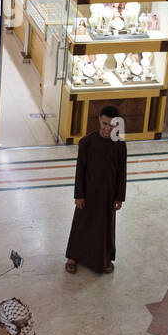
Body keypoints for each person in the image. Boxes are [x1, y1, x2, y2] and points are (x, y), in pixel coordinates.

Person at [65, 105, 127, 275]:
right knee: (81, 223)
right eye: (104, 123)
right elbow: (80, 171)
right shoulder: (86, 142)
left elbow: (122, 171)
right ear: (99, 119)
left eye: (112, 125)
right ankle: (73, 257)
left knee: (104, 227)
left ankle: (103, 259)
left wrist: (119, 197)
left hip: (108, 195)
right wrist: (79, 195)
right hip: (88, 193)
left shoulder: (120, 145)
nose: (107, 128)